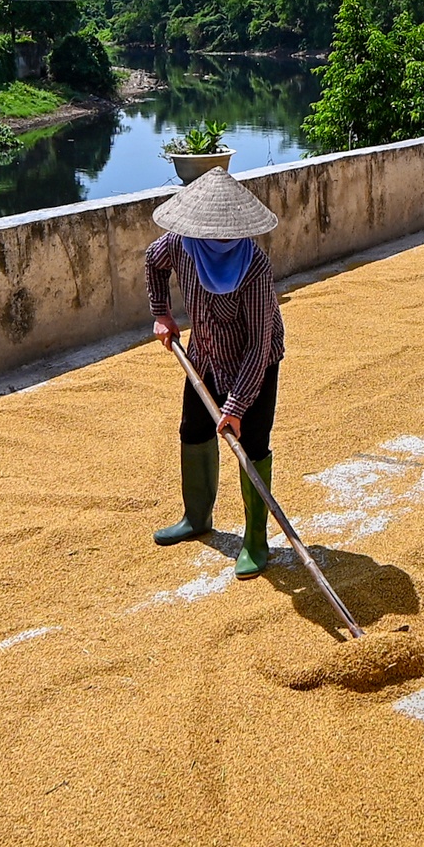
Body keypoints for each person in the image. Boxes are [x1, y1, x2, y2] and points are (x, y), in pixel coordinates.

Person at [146, 168, 286, 578]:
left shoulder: (254, 269)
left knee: (253, 446)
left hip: (252, 364)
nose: (220, 241)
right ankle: (196, 518)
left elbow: (259, 346)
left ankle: (256, 540)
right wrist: (162, 314)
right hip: (205, 353)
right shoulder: (181, 245)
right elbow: (153, 263)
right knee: (193, 430)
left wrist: (237, 406)